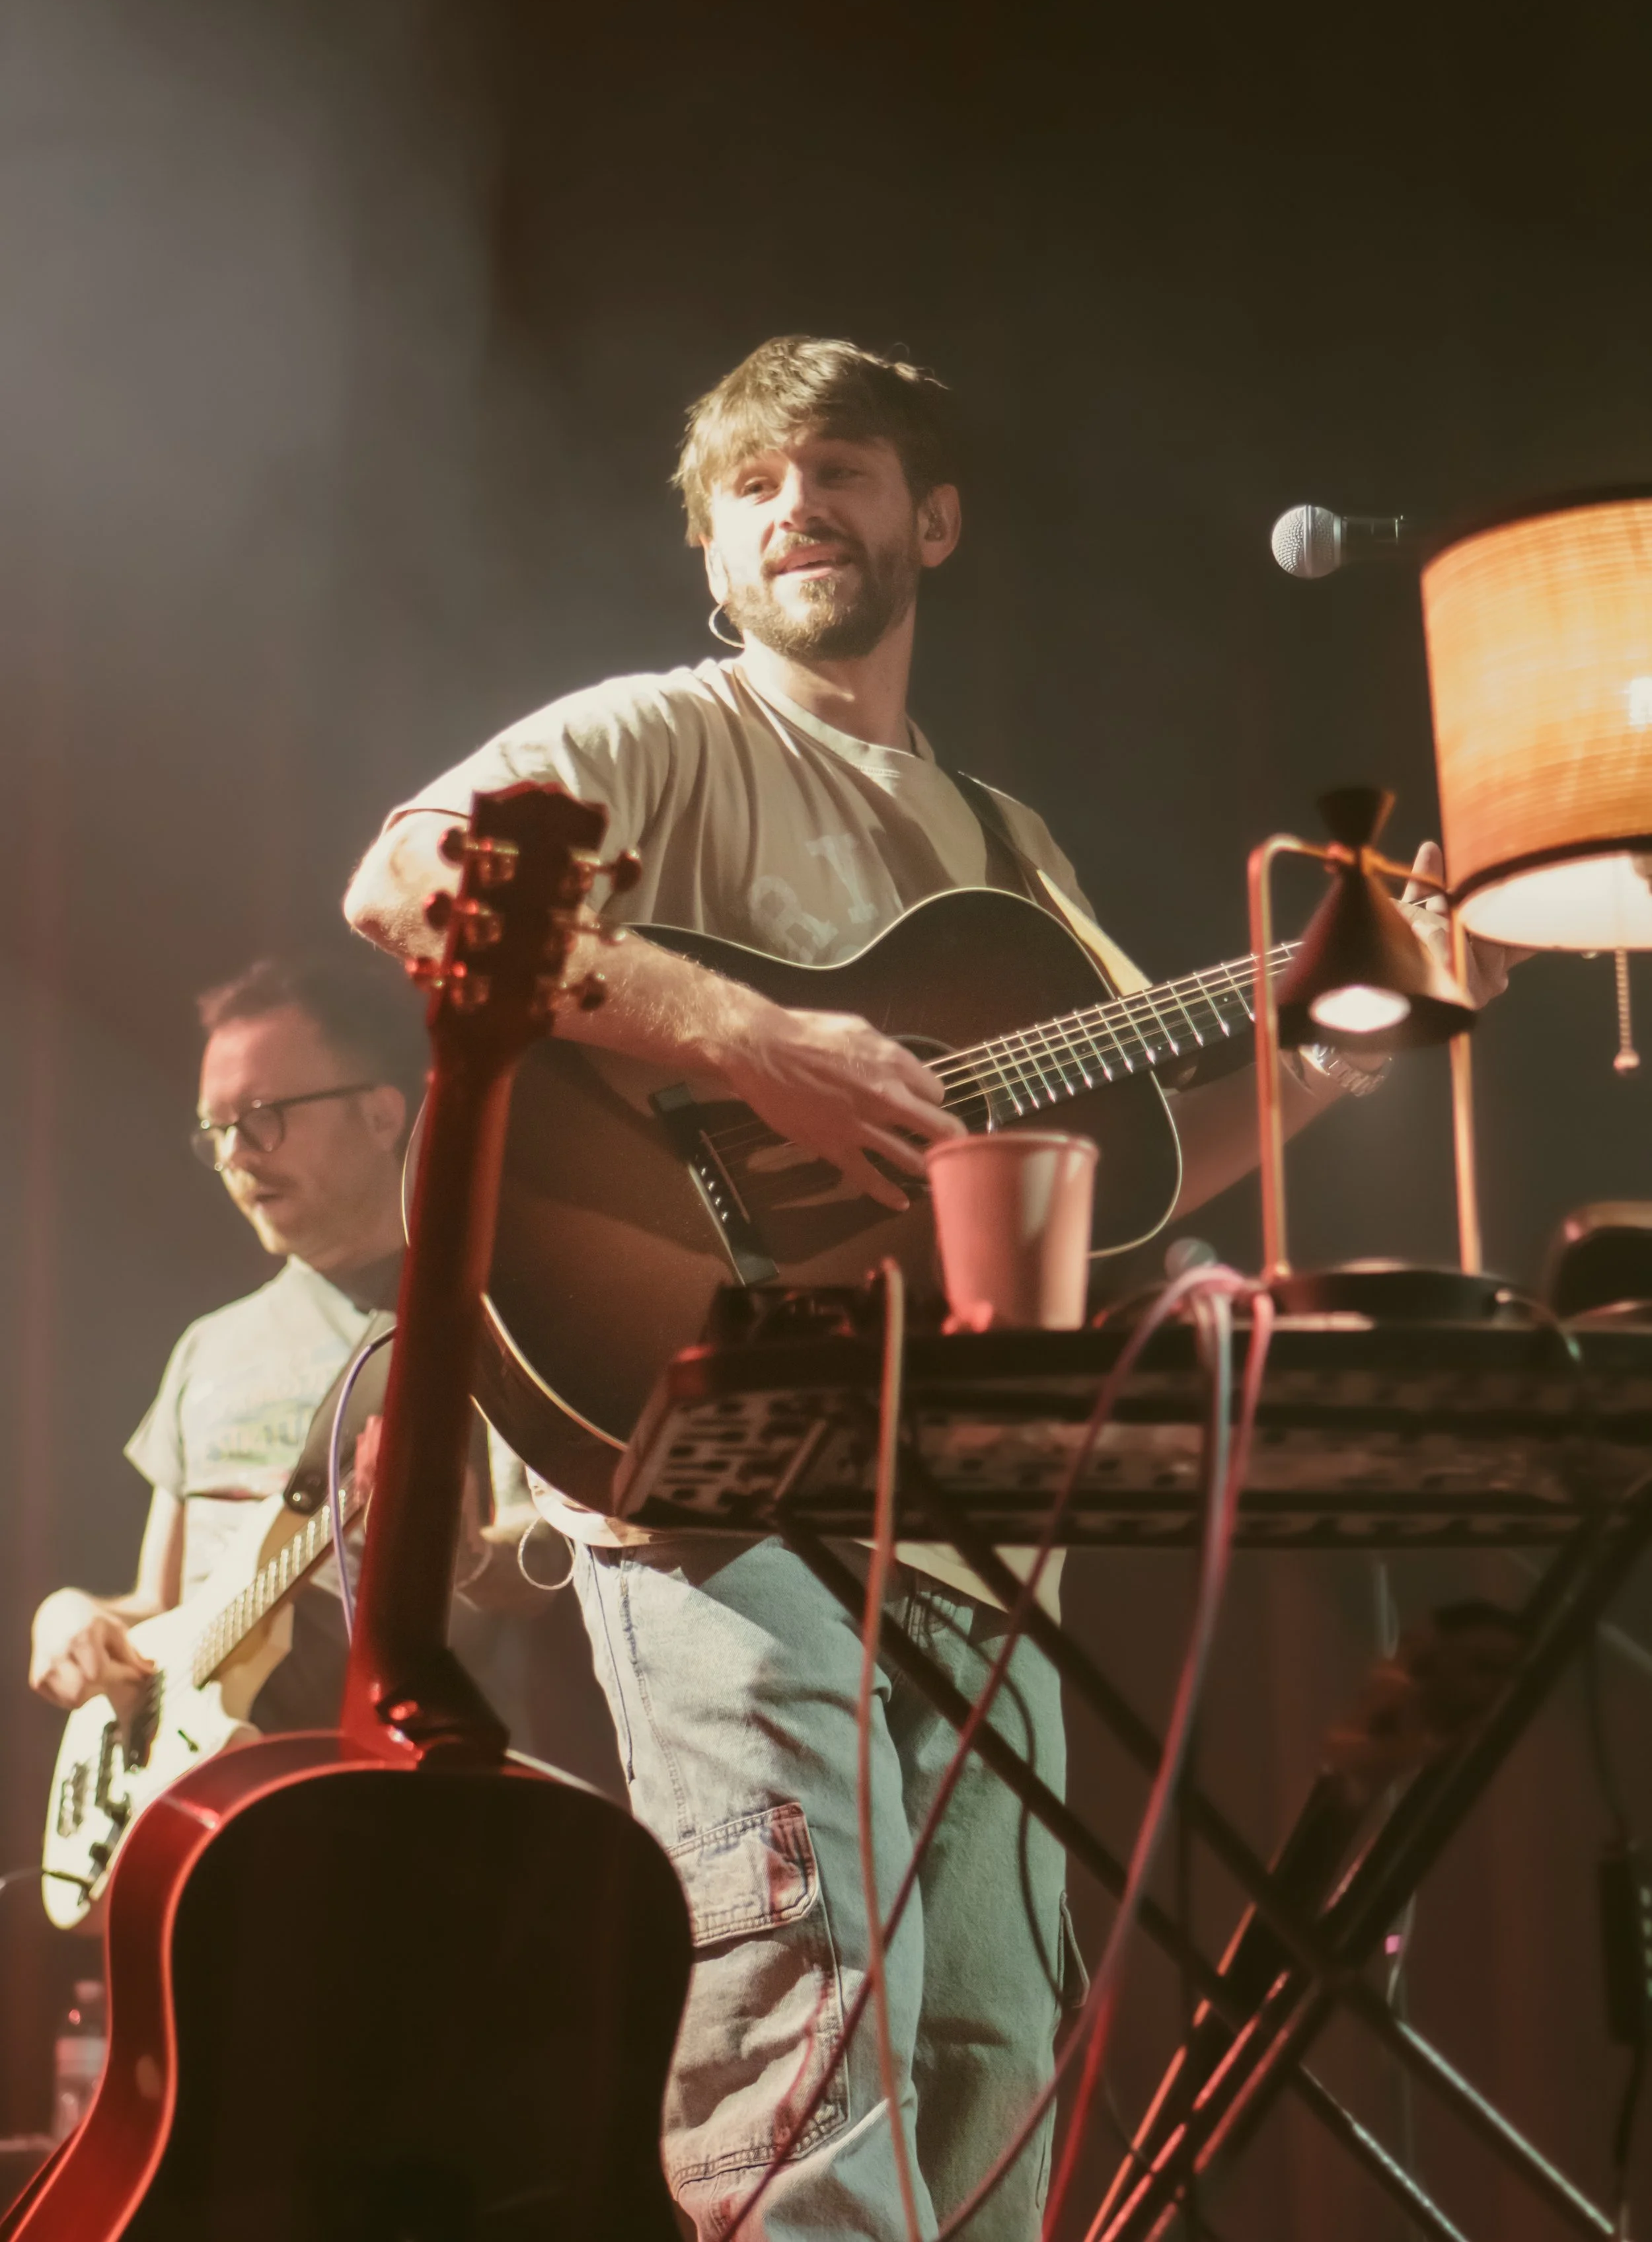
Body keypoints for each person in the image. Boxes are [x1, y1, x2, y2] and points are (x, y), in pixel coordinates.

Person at [344, 336, 1516, 2238]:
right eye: (749, 485)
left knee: (987, 2069)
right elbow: (407, 883)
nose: (793, 501)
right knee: (811, 2042)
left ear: (934, 518)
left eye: (841, 468)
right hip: (718, 1488)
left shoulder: (1007, 854)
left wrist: (1325, 1050)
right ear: (715, 555)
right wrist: (744, 1038)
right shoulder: (664, 730)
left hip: (973, 1532)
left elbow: (1107, 1193)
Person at [28, 952, 423, 1729]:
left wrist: (475, 1555)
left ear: (382, 1115)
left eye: (264, 1115)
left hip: (400, 1794)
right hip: (207, 1801)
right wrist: (70, 1613)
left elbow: (542, 1559)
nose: (236, 1155)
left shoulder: (481, 1325)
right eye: (218, 1129)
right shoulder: (209, 1348)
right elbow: (159, 1605)